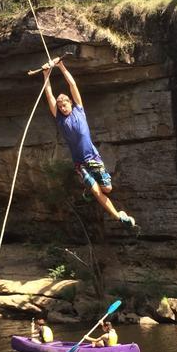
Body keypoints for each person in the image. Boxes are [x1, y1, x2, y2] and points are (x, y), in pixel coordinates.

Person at [42, 58, 136, 228]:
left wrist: (61, 65)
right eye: (60, 106)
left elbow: (72, 85)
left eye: (65, 105)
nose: (63, 108)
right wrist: (46, 74)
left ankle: (95, 192)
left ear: (70, 103)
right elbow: (49, 94)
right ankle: (118, 217)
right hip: (80, 163)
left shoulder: (79, 109)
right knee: (95, 190)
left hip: (93, 157)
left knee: (107, 189)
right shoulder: (59, 119)